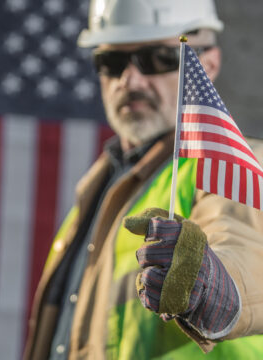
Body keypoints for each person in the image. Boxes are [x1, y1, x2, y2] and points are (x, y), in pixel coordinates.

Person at [24, 0, 263, 359]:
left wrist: (218, 287)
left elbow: (244, 244)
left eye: (156, 59)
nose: (129, 80)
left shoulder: (227, 166)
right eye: (112, 62)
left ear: (208, 62)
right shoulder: (99, 189)